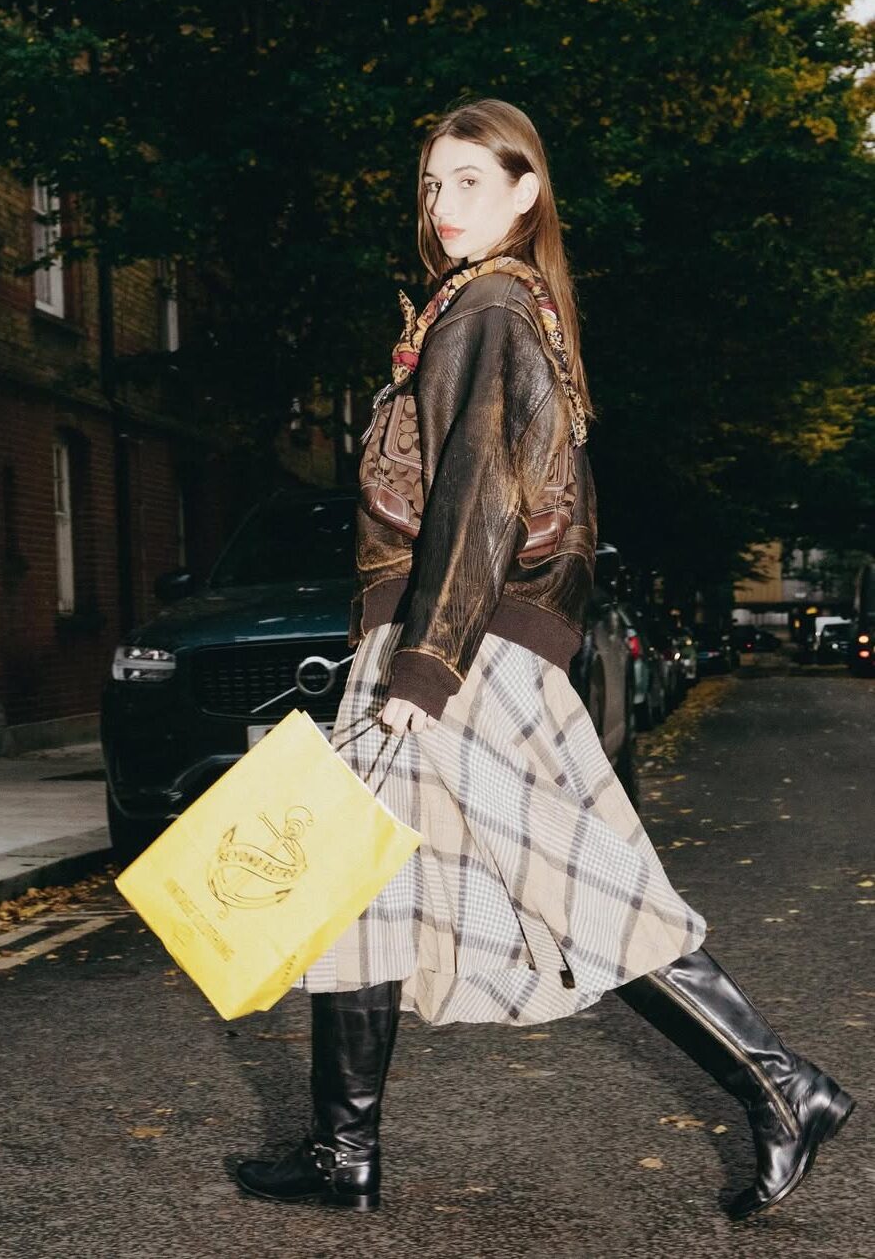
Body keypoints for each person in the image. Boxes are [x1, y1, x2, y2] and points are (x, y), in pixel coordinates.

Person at [235, 99, 855, 1218]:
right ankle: (341, 1154)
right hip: (451, 641)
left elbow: (477, 500)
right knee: (349, 888)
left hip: (454, 655)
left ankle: (781, 1081)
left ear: (527, 193)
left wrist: (423, 668)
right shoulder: (505, 312)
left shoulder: (487, 311)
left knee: (583, 887)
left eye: (470, 180)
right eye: (431, 184)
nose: (442, 204)